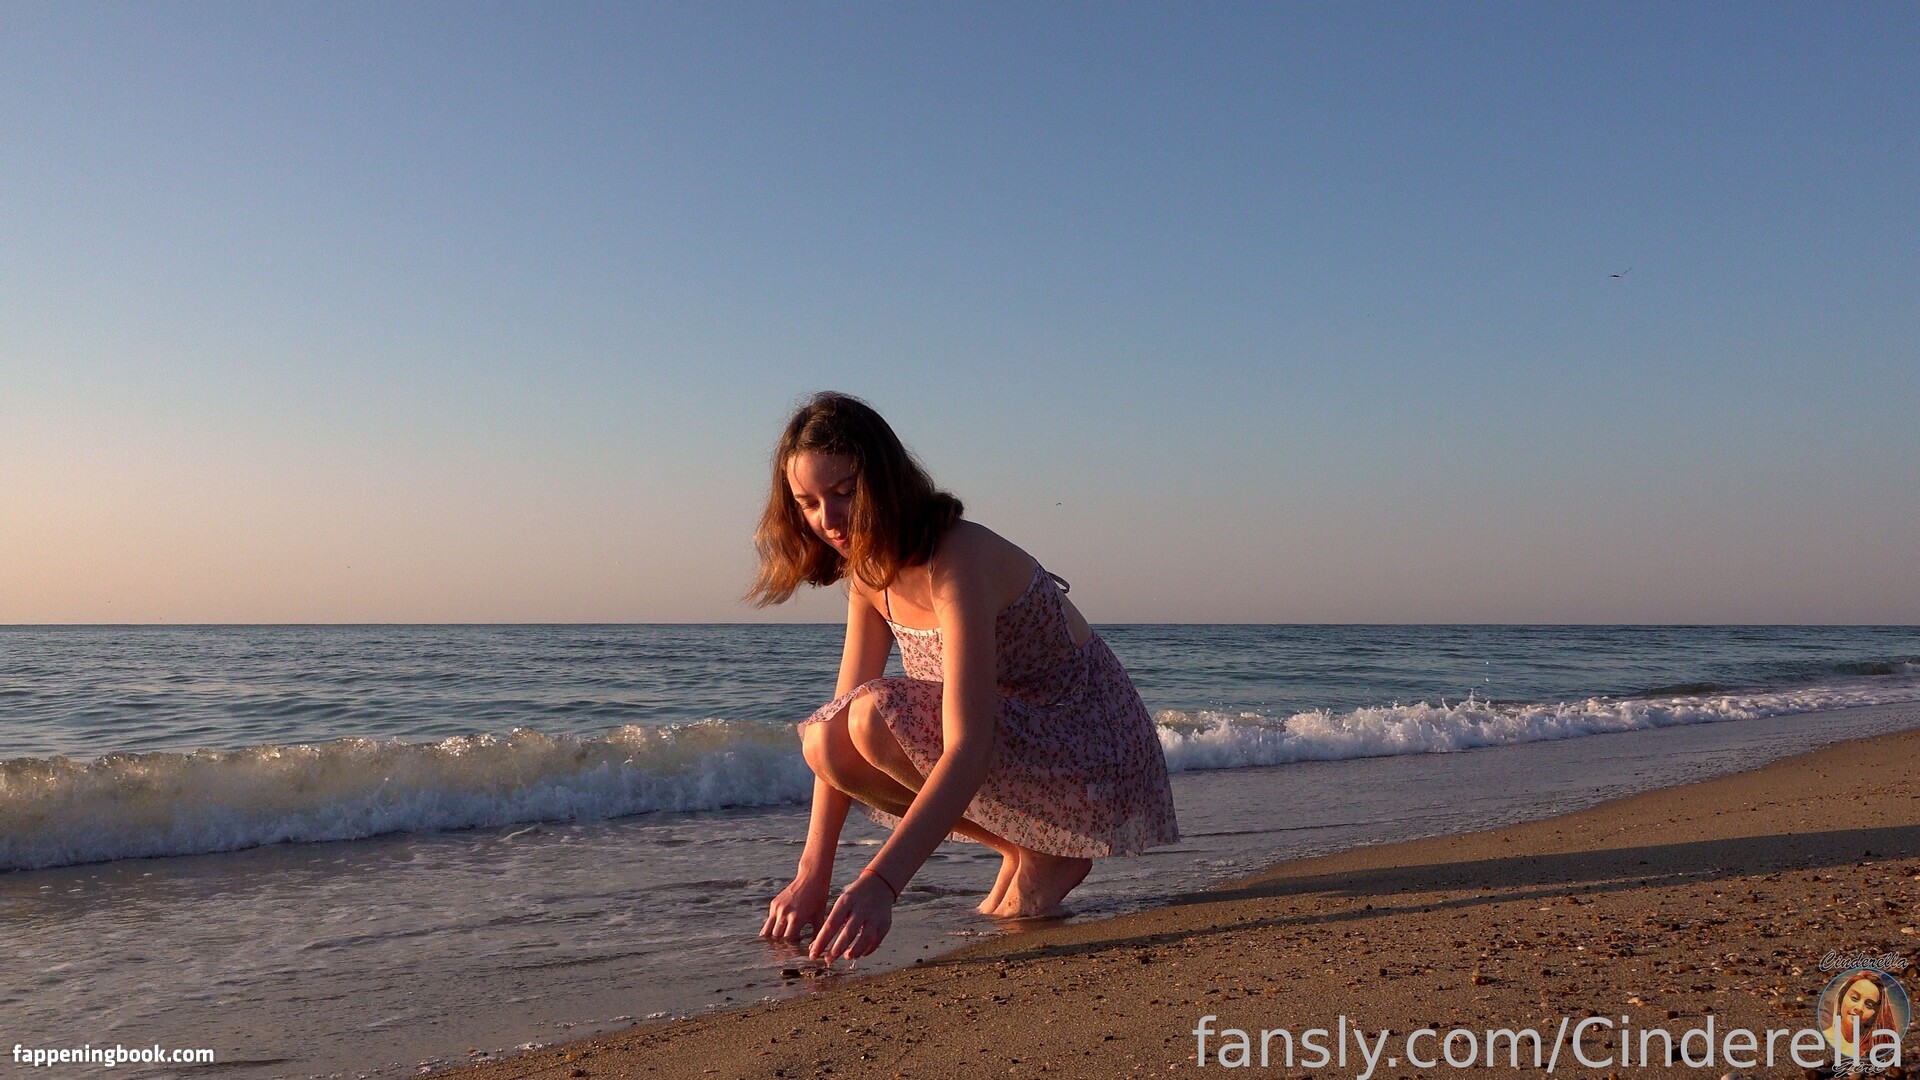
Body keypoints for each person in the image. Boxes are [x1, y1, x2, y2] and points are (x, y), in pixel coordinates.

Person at [751, 392, 1179, 964]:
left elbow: (969, 746)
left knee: (874, 716)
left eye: (845, 493)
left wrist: (881, 883)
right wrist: (813, 875)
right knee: (826, 737)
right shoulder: (869, 579)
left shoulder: (957, 558)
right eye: (808, 503)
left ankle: (1049, 851)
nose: (827, 520)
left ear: (885, 482)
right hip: (1020, 746)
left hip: (1091, 746)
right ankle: (1029, 848)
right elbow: (836, 719)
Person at [1820, 969, 1902, 1064]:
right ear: (1841, 998)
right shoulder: (1824, 1040)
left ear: (1876, 1013)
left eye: (1869, 1005)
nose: (1859, 1008)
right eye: (1854, 998)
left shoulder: (1880, 1047)